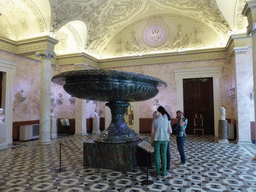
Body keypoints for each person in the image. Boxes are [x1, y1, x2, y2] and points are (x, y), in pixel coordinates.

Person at [151, 111, 172, 176]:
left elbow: (152, 132)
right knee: (164, 155)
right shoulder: (167, 121)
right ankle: (164, 172)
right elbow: (170, 131)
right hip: (165, 140)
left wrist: (151, 141)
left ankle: (157, 171)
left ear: (155, 116)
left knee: (157, 156)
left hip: (157, 140)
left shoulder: (154, 121)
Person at [157, 106, 172, 170]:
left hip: (163, 136)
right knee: (167, 151)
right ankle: (167, 165)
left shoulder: (164, 117)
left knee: (163, 152)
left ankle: (164, 166)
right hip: (167, 136)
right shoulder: (168, 116)